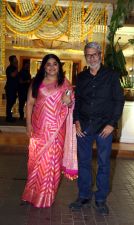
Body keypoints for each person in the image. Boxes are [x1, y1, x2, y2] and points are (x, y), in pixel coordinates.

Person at [69, 42, 125, 215]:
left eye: (94, 54)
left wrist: (111, 124)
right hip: (84, 126)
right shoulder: (82, 77)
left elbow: (119, 101)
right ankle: (84, 196)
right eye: (88, 55)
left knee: (103, 164)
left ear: (100, 55)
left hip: (104, 127)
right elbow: (77, 102)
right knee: (84, 162)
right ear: (85, 56)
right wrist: (76, 120)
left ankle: (100, 199)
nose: (92, 57)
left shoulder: (111, 76)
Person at [21, 54, 77, 208]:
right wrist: (28, 124)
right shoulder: (36, 82)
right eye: (48, 64)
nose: (52, 67)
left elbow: (71, 103)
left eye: (55, 64)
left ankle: (45, 197)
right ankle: (30, 194)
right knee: (34, 161)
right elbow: (30, 104)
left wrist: (69, 102)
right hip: (39, 128)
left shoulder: (65, 84)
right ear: (43, 67)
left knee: (51, 163)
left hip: (56, 130)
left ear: (59, 66)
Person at [5, 55, 18, 122]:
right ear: (12, 60)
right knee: (10, 102)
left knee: (12, 101)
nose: (17, 60)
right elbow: (12, 75)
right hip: (10, 88)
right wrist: (16, 69)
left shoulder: (14, 67)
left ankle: (9, 116)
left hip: (13, 88)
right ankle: (8, 117)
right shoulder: (9, 68)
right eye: (15, 59)